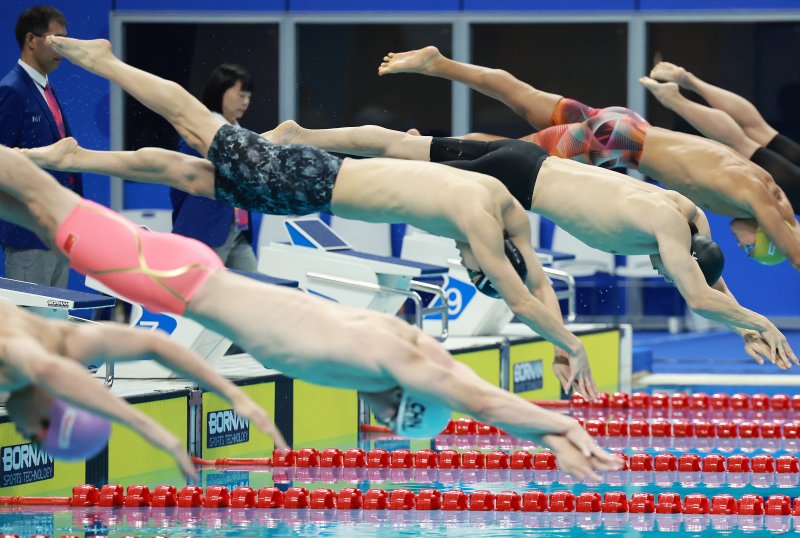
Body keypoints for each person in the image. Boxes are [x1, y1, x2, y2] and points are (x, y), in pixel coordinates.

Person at [0, 148, 619, 481]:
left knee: (38, 211)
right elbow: (475, 396)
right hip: (177, 280)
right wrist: (556, 432)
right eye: (396, 418)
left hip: (186, 279)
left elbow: (455, 379)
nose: (379, 419)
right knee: (42, 201)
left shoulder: (386, 342)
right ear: (401, 403)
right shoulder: (390, 358)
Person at [33, 36, 597, 401]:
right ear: (486, 254)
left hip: (314, 178)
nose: (462, 255)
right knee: (192, 122)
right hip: (309, 182)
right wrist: (571, 346)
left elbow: (535, 281)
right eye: (473, 262)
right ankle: (106, 63)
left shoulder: (503, 204)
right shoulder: (479, 224)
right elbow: (522, 297)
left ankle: (76, 157)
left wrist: (562, 344)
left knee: (192, 176)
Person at [258, 120, 797, 370]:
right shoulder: (671, 233)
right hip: (515, 184)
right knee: (394, 170)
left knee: (402, 143)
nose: (662, 271)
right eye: (667, 268)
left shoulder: (688, 214)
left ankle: (301, 135)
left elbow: (703, 278)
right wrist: (760, 324)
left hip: (528, 159)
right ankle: (303, 159)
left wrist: (740, 326)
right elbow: (699, 296)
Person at [376, 46, 800, 270]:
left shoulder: (755, 178)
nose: (741, 247)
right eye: (750, 249)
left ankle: (440, 64)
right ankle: (419, 148)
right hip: (617, 143)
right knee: (507, 156)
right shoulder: (754, 197)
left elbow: (744, 130)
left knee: (521, 96)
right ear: (765, 235)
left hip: (624, 127)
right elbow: (795, 251)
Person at [0, 300, 285, 478]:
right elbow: (46, 369)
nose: (21, 433)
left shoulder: (66, 342)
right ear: (52, 411)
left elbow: (155, 344)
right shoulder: (17, 357)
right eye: (33, 438)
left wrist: (233, 394)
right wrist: (150, 429)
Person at [641, 62, 800, 265]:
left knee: (758, 132)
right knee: (744, 142)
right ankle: (676, 99)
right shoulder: (774, 206)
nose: (741, 246)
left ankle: (689, 81)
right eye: (749, 248)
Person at [0, 5, 82, 287]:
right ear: (31, 40)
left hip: (58, 233)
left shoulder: (45, 88)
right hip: (28, 238)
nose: (63, 47)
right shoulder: (12, 90)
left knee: (56, 327)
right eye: (55, 39)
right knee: (32, 328)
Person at [171, 63, 257, 271]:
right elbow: (180, 181)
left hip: (239, 231)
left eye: (248, 96)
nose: (245, 102)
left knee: (253, 291)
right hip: (205, 230)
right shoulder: (201, 131)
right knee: (201, 296)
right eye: (240, 95)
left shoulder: (243, 134)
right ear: (220, 91)